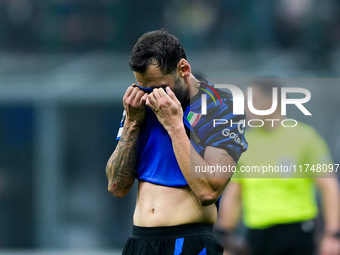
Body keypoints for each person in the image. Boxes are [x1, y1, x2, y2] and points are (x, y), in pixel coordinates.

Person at [105, 29, 248, 255]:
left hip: (188, 241)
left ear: (183, 69)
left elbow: (209, 192)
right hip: (139, 242)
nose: (153, 97)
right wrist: (132, 124)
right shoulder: (141, 104)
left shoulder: (221, 107)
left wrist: (174, 125)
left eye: (160, 88)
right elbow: (116, 186)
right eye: (144, 88)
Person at [216, 78, 340, 255]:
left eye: (253, 100)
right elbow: (235, 192)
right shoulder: (242, 143)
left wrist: (333, 234)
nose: (247, 107)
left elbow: (329, 186)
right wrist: (225, 236)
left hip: (296, 231)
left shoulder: (305, 138)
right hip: (258, 234)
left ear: (272, 102)